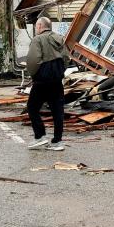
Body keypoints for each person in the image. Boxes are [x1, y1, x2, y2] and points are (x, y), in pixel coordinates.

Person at [25, 16, 70, 150]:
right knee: (57, 110)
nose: (35, 29)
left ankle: (40, 136)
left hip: (42, 80)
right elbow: (66, 57)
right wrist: (59, 71)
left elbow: (33, 60)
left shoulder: (37, 39)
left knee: (32, 107)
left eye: (36, 27)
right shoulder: (60, 38)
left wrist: (34, 74)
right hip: (56, 80)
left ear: (39, 26)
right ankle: (57, 142)